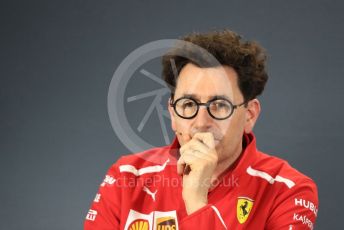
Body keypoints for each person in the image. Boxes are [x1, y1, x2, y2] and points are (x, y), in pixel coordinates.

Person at [84, 30, 318, 230]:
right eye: (188, 104)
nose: (201, 122)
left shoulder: (289, 189)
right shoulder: (126, 176)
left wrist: (196, 201)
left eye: (219, 105)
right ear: (173, 114)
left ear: (249, 115)